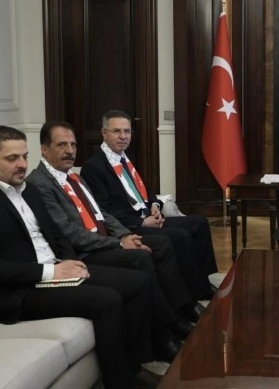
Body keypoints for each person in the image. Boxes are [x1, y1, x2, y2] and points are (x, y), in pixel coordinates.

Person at [0, 126, 154, 388]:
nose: (22, 164)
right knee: (108, 300)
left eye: (24, 156)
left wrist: (69, 261)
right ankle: (120, 382)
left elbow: (57, 235)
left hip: (54, 271)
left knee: (138, 282)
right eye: (12, 158)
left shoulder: (29, 190)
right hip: (16, 290)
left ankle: (134, 366)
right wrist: (52, 273)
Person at [27, 121, 205, 362]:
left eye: (73, 145)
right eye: (61, 145)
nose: (69, 151)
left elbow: (101, 213)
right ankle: (163, 333)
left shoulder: (73, 176)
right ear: (44, 149)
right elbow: (68, 232)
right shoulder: (39, 183)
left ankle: (179, 310)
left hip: (105, 238)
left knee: (161, 245)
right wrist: (118, 244)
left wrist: (124, 235)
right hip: (84, 251)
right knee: (140, 258)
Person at [81, 109, 217, 300]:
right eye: (117, 131)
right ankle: (191, 292)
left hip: (148, 216)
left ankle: (201, 281)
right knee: (181, 236)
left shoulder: (124, 158)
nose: (123, 136)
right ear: (104, 133)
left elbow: (145, 189)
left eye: (127, 131)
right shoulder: (94, 167)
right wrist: (142, 222)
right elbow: (104, 210)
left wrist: (155, 205)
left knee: (200, 223)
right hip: (129, 225)